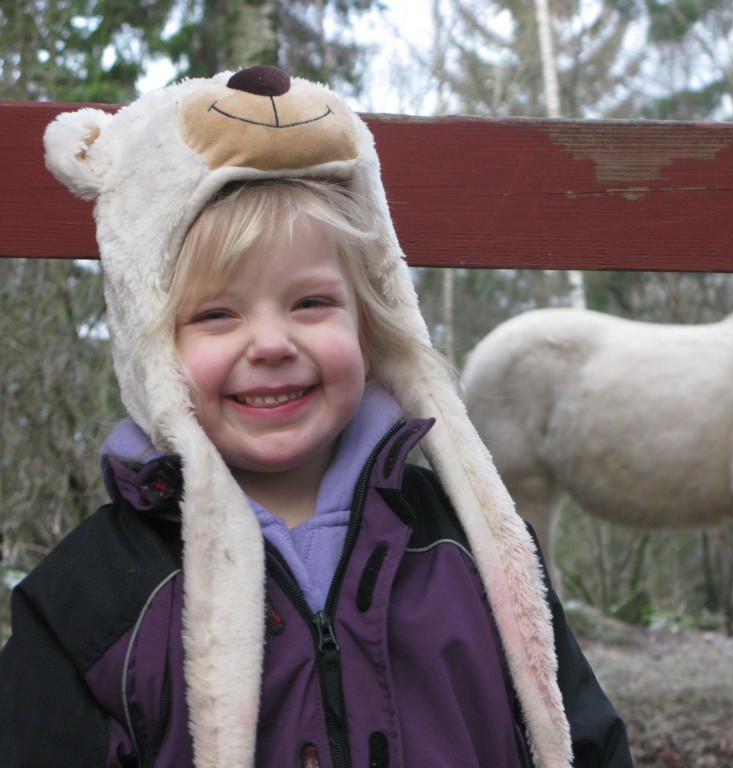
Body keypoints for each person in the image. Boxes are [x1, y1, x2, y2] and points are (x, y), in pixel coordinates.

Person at [0, 65, 632, 767]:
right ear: (152, 349)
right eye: (215, 314)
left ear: (370, 325)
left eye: (310, 304)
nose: (272, 344)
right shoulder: (87, 604)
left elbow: (590, 742)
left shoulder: (474, 549)